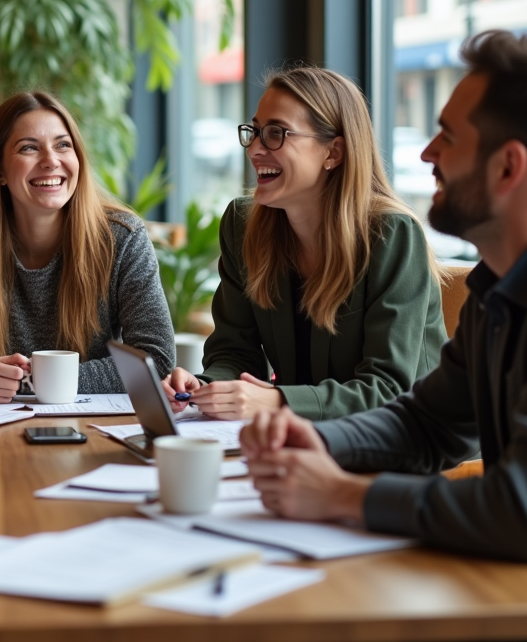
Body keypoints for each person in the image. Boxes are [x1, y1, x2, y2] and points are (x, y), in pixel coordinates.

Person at [240, 32, 527, 642]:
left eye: (449, 136)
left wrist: (346, 496)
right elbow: (426, 424)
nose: (427, 152)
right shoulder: (505, 281)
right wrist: (319, 439)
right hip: (525, 590)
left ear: (508, 166)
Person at [166, 66, 445, 420]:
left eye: (275, 134)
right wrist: (204, 388)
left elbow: (389, 390)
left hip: (409, 446)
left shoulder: (391, 235)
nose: (254, 148)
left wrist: (277, 401)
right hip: (310, 442)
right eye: (254, 132)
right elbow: (235, 355)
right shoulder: (242, 225)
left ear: (334, 153)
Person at [0, 91, 174, 401]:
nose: (51, 161)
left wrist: (40, 380)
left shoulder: (122, 239)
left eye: (63, 145)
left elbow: (155, 359)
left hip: (92, 426)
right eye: (29, 148)